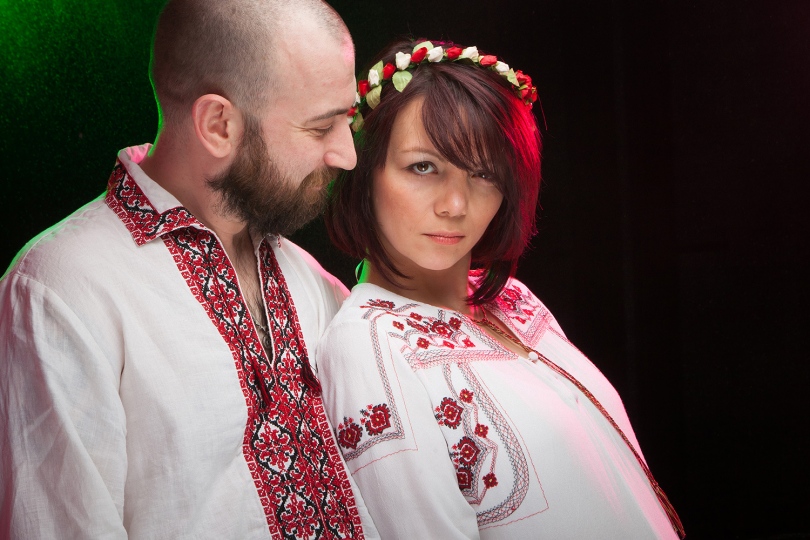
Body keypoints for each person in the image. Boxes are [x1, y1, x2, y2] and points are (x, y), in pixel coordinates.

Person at [0, 1, 379, 538]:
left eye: (348, 119)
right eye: (321, 127)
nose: (347, 154)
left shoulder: (311, 280)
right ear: (218, 124)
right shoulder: (60, 290)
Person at [318, 38, 686, 539]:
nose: (454, 204)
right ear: (367, 172)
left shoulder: (511, 298)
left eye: (484, 174)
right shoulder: (366, 347)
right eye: (423, 167)